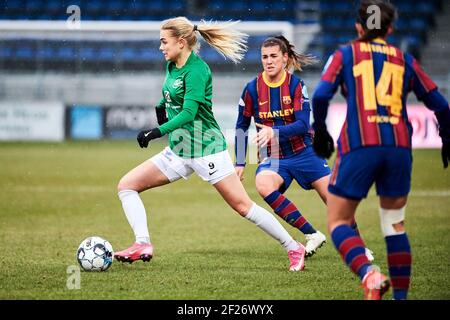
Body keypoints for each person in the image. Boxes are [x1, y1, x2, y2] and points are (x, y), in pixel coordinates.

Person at [114, 17, 307, 272]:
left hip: (207, 150)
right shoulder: (172, 64)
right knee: (127, 186)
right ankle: (142, 244)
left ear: (181, 43)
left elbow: (189, 112)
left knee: (243, 207)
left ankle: (294, 247)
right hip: (180, 149)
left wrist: (156, 131)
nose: (160, 47)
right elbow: (169, 96)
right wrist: (161, 109)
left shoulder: (197, 70)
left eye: (164, 41)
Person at [311, 0, 450, 300]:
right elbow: (441, 105)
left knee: (338, 221)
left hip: (360, 144)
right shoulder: (405, 60)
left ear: (358, 27)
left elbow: (321, 94)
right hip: (399, 146)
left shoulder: (345, 54)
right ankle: (400, 297)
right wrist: (447, 137)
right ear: (390, 28)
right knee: (394, 225)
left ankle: (370, 275)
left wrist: (320, 131)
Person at [234, 36, 374, 260]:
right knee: (262, 183)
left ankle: (358, 246)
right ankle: (312, 234)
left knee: (334, 201)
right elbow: (241, 125)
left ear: (285, 58)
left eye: (273, 56)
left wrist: (274, 132)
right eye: (264, 57)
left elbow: (301, 125)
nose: (268, 61)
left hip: (305, 152)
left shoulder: (296, 85)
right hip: (276, 157)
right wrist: (240, 162)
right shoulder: (252, 89)